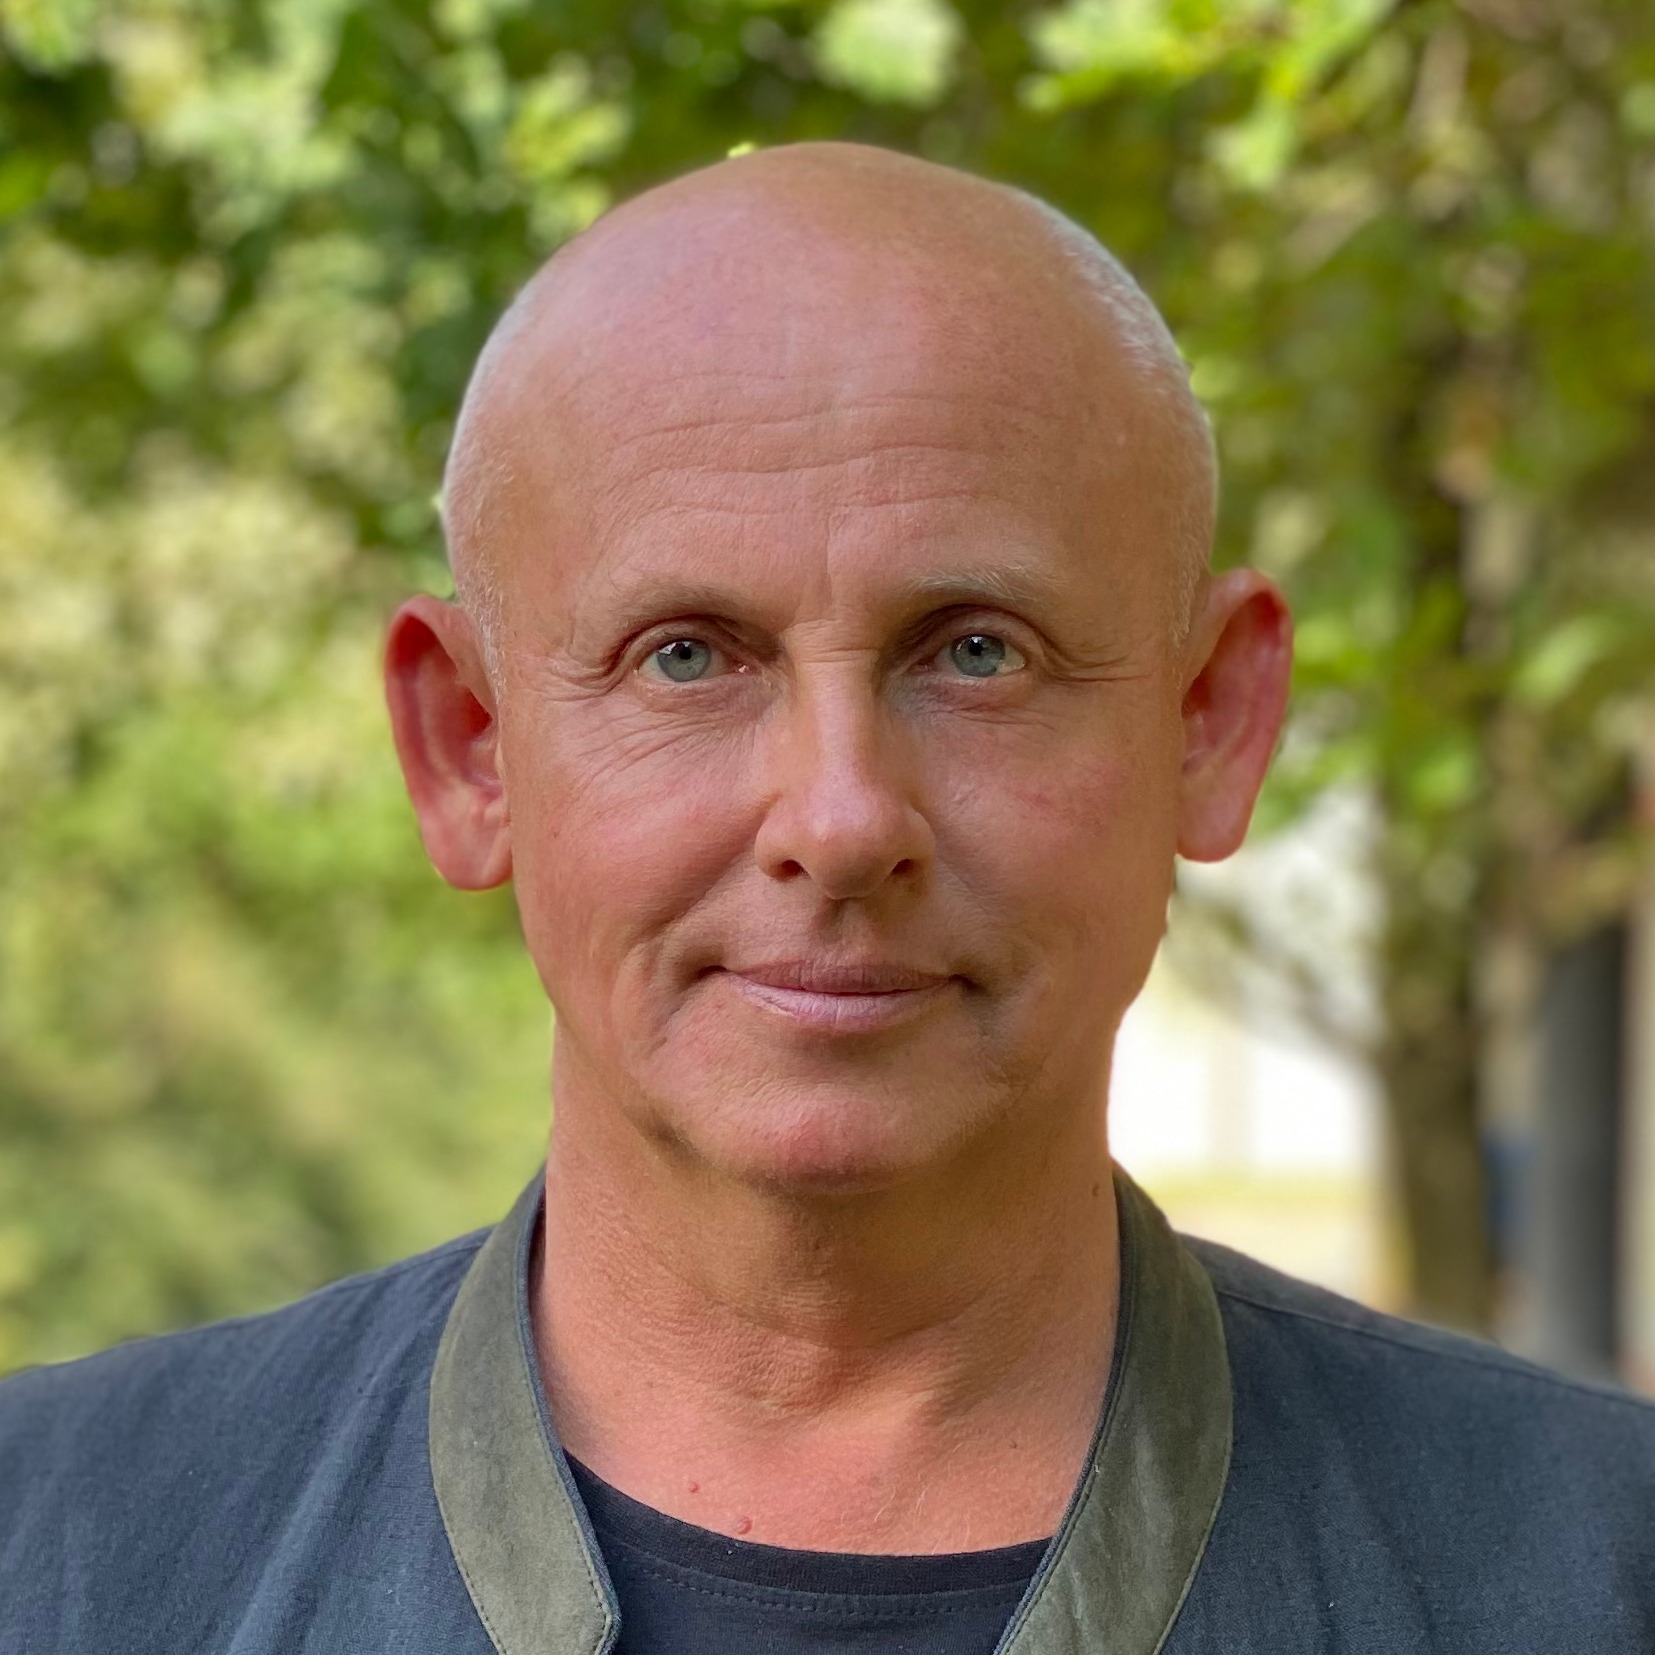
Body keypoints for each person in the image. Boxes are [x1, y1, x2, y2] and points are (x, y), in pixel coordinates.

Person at [1, 141, 1652, 1655]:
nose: (844, 819)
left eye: (978, 652)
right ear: (470, 747)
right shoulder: (66, 1557)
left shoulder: (1593, 1572)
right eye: (686, 658)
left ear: (1208, 725)